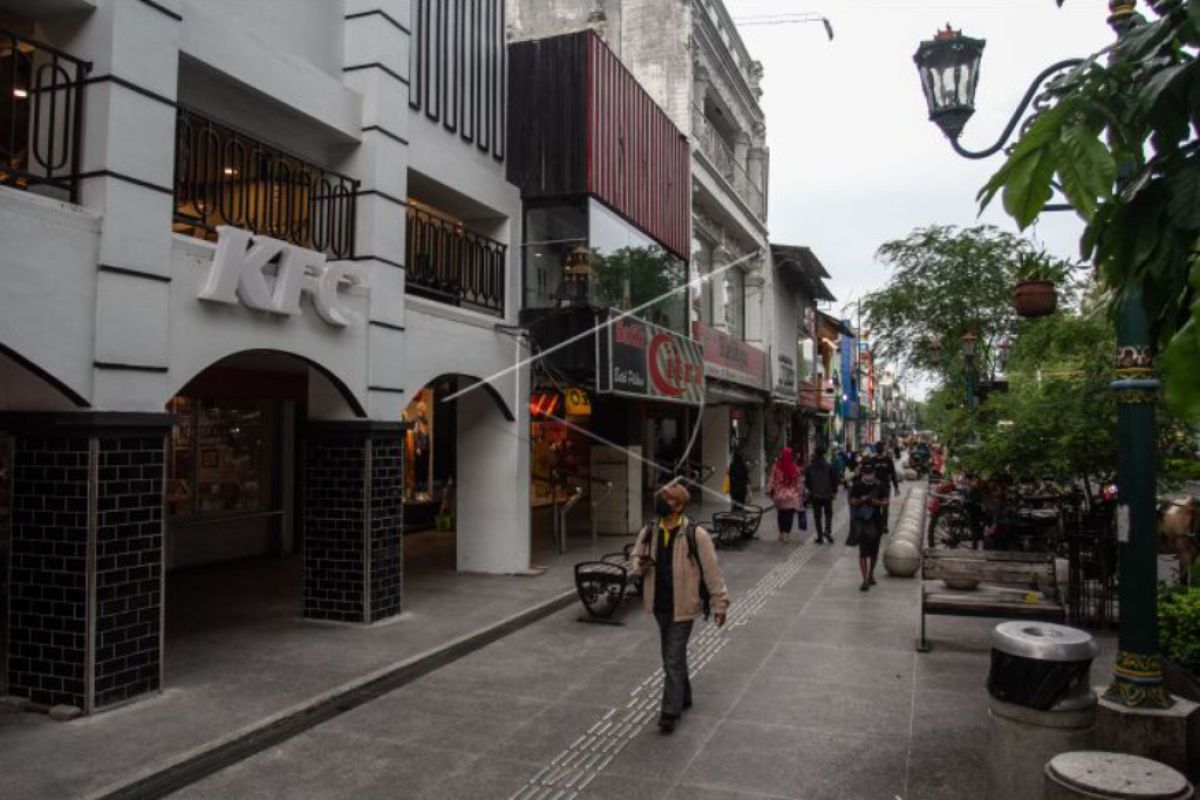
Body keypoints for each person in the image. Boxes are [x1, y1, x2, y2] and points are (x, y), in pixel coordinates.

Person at [630, 483, 730, 733]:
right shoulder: (650, 530)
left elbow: (712, 572)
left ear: (679, 505)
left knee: (672, 658)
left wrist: (720, 604)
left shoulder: (696, 535)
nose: (660, 502)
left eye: (666, 498)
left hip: (684, 605)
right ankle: (683, 695)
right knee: (672, 655)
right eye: (660, 497)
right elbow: (635, 557)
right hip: (660, 604)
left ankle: (669, 712)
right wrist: (639, 564)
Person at [849, 466, 889, 591]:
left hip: (876, 521)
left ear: (874, 473)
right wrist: (861, 500)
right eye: (866, 474)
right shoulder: (857, 485)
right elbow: (852, 501)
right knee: (863, 551)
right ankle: (865, 579)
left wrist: (874, 502)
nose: (869, 476)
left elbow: (886, 502)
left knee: (874, 551)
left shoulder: (880, 485)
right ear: (862, 474)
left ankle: (871, 574)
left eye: (870, 474)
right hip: (862, 522)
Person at [766, 446, 805, 543]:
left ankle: (781, 533)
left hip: (779, 496)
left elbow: (771, 480)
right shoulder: (795, 468)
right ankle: (787, 535)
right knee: (789, 516)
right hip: (791, 496)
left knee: (781, 515)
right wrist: (800, 494)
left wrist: (769, 490)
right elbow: (798, 483)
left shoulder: (776, 466)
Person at [804, 449, 838, 544]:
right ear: (824, 455)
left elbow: (807, 483)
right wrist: (834, 491)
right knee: (828, 513)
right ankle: (827, 530)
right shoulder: (829, 466)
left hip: (815, 495)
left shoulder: (809, 467)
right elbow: (834, 480)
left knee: (817, 516)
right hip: (827, 494)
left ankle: (819, 537)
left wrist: (812, 490)